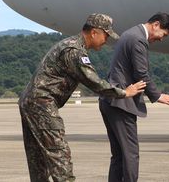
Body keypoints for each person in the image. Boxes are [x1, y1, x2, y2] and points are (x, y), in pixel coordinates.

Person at [18, 13, 146, 182]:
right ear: (94, 32)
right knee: (60, 155)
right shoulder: (75, 51)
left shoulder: (70, 45)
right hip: (42, 103)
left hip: (30, 102)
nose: (106, 40)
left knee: (38, 160)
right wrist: (125, 93)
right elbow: (95, 82)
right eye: (106, 35)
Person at [99, 12, 169, 182]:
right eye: (163, 34)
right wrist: (157, 96)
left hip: (110, 100)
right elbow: (141, 73)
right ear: (155, 25)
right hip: (121, 103)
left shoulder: (130, 34)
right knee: (130, 154)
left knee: (119, 155)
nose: (162, 39)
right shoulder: (138, 39)